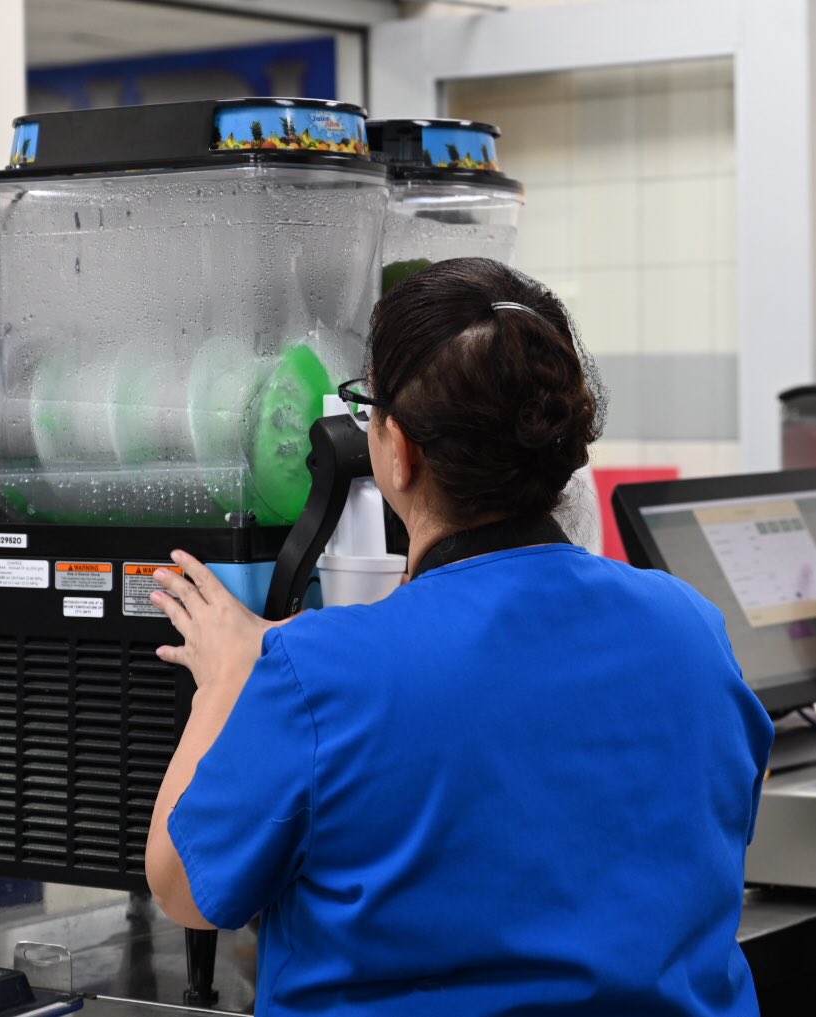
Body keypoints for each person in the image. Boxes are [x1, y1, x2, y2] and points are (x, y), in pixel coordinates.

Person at [145, 257, 774, 1016]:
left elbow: (186, 890)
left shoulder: (318, 670)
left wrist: (223, 684)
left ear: (397, 450)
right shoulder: (689, 626)